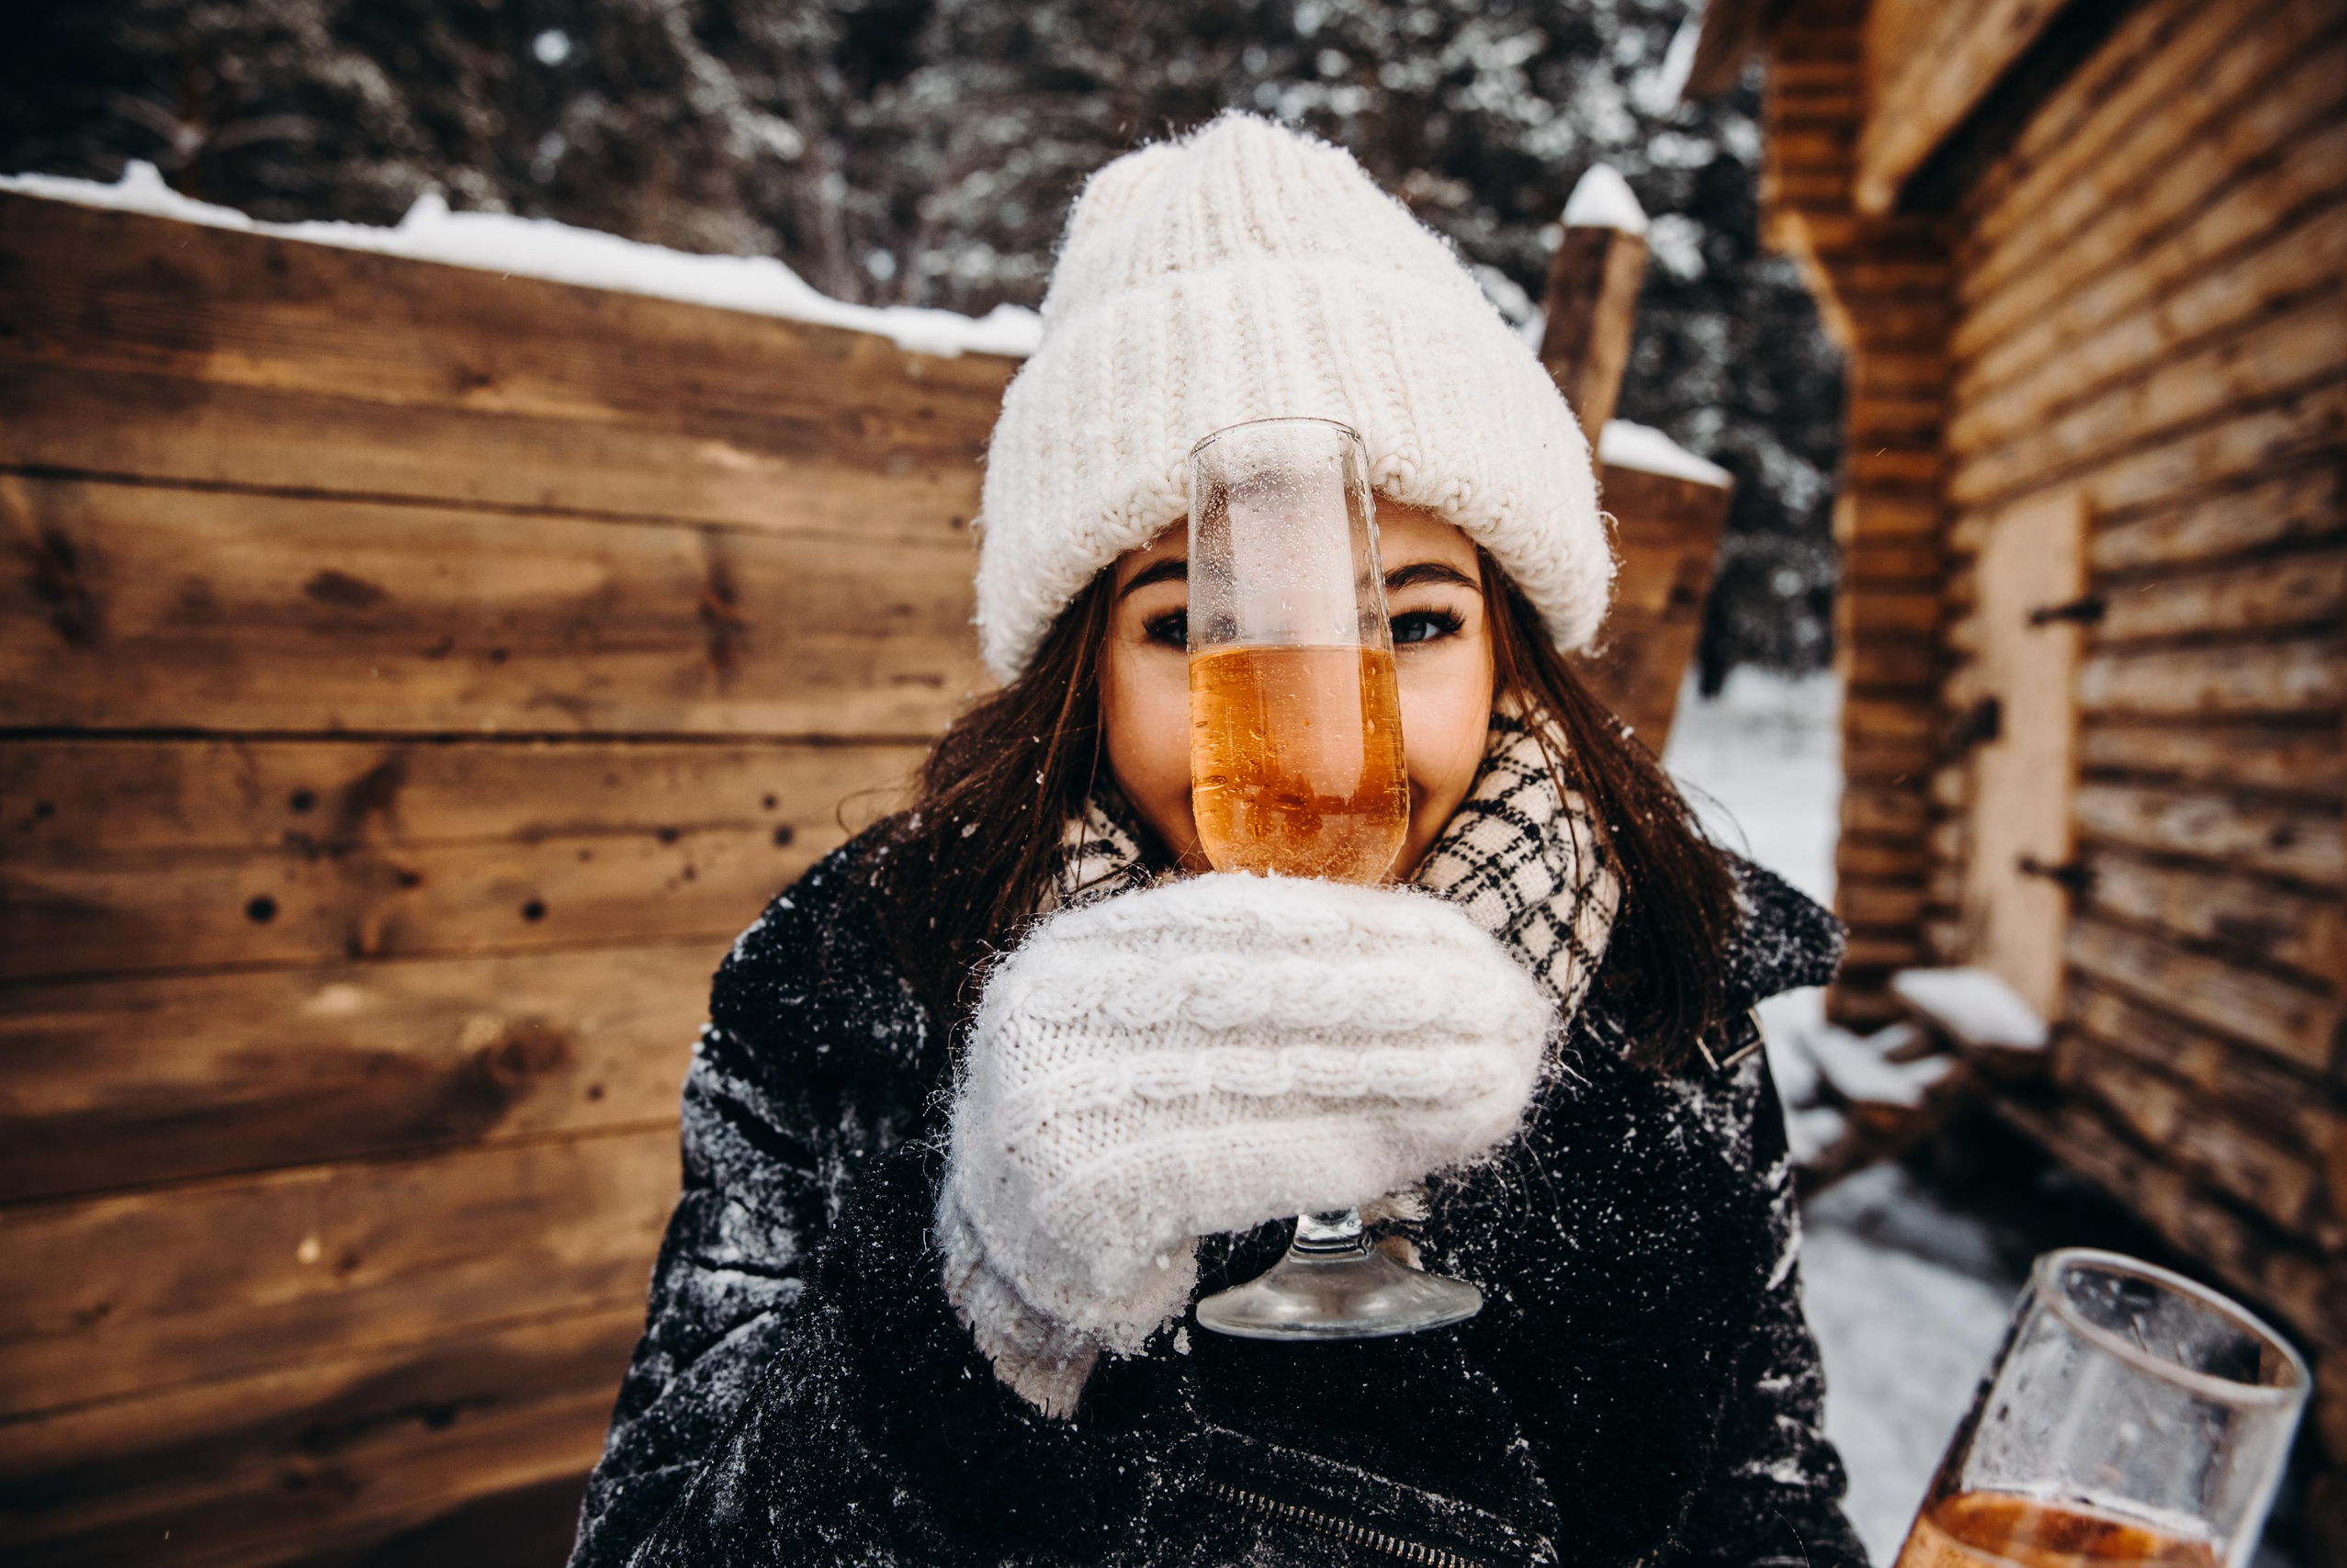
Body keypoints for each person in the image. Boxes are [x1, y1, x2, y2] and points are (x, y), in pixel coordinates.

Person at [570, 113, 1865, 1568]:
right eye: (1199, 625)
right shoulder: (851, 987)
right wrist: (987, 1303)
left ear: (1515, 652)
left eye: (1418, 623)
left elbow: (1768, 1509)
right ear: (1082, 671)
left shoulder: (1671, 992)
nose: (1330, 738)